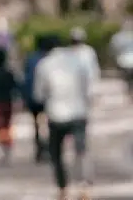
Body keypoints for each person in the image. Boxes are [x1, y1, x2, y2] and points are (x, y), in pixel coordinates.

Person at [34, 34, 93, 200]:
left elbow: (38, 94)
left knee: (56, 153)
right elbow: (88, 86)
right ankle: (83, 184)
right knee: (81, 150)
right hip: (79, 112)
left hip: (55, 114)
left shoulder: (43, 65)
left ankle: (62, 187)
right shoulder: (77, 60)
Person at [0, 47, 21, 165]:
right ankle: (7, 148)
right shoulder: (8, 72)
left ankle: (3, 148)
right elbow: (15, 87)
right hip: (7, 102)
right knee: (7, 126)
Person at [23, 34, 49, 162]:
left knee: (37, 125)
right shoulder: (49, 59)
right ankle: (47, 148)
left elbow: (26, 79)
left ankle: (39, 149)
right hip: (46, 99)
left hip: (33, 98)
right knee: (47, 124)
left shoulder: (31, 59)